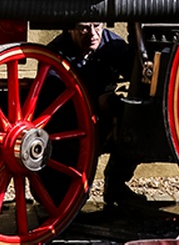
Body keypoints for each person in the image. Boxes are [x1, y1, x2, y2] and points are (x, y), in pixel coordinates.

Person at [48, 21, 146, 207]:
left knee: (134, 116)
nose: (92, 33)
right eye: (84, 28)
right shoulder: (56, 54)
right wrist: (95, 102)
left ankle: (116, 184)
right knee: (61, 200)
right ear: (70, 29)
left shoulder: (113, 46)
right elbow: (54, 103)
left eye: (97, 26)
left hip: (105, 121)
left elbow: (139, 77)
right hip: (68, 128)